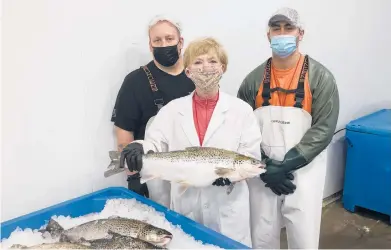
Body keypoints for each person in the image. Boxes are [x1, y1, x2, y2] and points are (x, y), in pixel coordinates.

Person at [119, 37, 263, 247]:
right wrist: (138, 147)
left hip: (227, 207)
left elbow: (251, 156)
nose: (206, 67)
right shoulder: (172, 110)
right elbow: (154, 143)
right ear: (187, 71)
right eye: (198, 62)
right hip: (187, 204)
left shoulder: (242, 111)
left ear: (223, 68)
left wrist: (232, 177)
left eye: (213, 61)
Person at [237, 7, 339, 249]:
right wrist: (264, 165)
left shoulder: (321, 78)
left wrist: (286, 165)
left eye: (288, 28)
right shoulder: (253, 81)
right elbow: (242, 127)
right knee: (261, 236)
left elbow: (323, 129)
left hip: (304, 172)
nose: (282, 33)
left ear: (300, 33)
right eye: (276, 28)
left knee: (303, 236)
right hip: (263, 173)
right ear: (268, 35)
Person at [110, 15, 195, 202]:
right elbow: (124, 133)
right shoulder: (135, 81)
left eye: (169, 39)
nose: (164, 45)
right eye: (157, 40)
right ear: (150, 46)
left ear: (180, 42)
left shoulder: (196, 75)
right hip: (155, 180)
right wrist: (133, 176)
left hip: (193, 175)